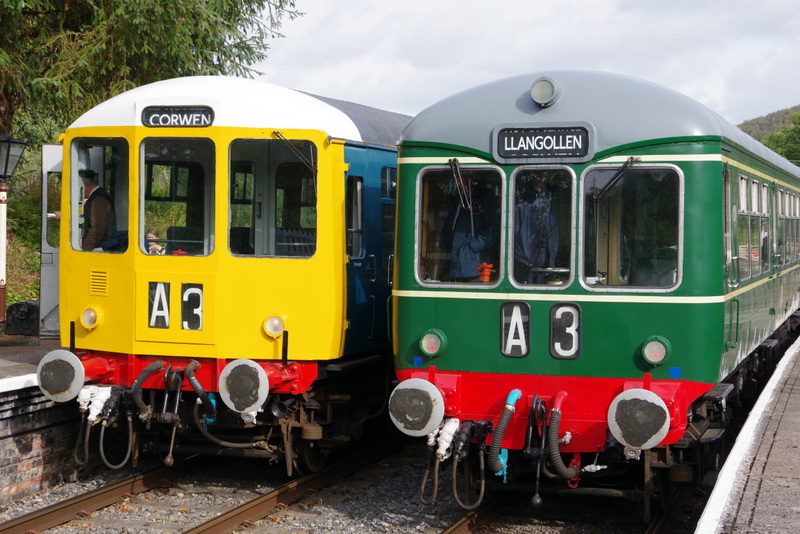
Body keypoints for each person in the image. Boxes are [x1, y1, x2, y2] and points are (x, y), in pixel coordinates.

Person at [514, 174, 560, 284]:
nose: (544, 178)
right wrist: (522, 256)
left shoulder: (552, 197)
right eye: (541, 175)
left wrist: (552, 258)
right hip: (526, 255)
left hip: (546, 254)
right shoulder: (523, 199)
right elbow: (515, 231)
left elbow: (553, 231)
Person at [80, 170, 116, 251]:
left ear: (86, 185)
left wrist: (85, 249)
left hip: (100, 247)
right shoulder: (98, 196)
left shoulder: (98, 199)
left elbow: (97, 228)